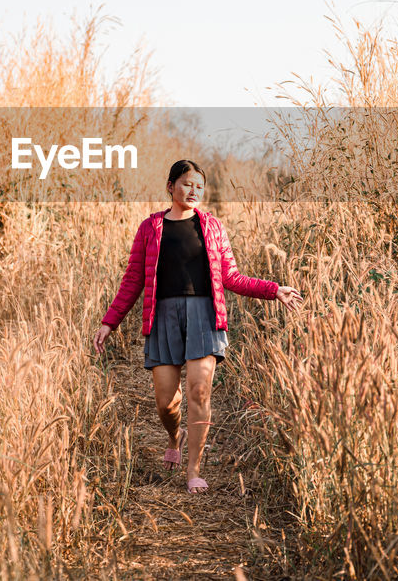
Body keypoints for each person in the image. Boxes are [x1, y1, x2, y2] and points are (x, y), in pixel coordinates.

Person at [92, 159, 303, 494]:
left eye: (199, 186)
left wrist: (273, 289)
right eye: (187, 184)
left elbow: (231, 277)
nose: (193, 191)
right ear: (171, 186)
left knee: (199, 391)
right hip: (162, 317)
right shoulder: (150, 228)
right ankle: (174, 437)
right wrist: (109, 322)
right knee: (165, 402)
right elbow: (133, 280)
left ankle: (194, 470)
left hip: (205, 316)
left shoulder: (213, 228)